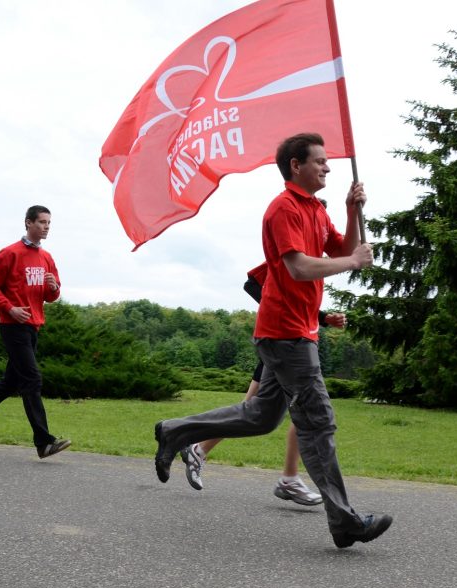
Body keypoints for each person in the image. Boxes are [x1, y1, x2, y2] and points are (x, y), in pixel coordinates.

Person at [154, 132, 393, 549]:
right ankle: (345, 521)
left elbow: (344, 246)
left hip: (297, 331)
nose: (328, 167)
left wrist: (352, 212)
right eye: (319, 161)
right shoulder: (283, 208)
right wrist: (353, 262)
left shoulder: (315, 209)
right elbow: (299, 267)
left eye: (327, 162)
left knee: (262, 417)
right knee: (318, 423)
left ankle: (175, 433)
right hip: (287, 335)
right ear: (296, 165)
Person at [180, 262, 346, 506]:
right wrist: (278, 310)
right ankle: (287, 478)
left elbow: (302, 303)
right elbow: (252, 284)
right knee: (305, 413)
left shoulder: (312, 256)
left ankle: (198, 448)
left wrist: (323, 317)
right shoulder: (290, 251)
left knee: (259, 411)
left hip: (296, 345)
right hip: (282, 344)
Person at [0, 205, 70, 459]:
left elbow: (52, 296)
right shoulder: (10, 253)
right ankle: (44, 442)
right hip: (13, 326)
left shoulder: (47, 257)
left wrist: (52, 288)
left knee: (11, 382)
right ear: (28, 223)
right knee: (32, 380)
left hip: (33, 326)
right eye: (42, 222)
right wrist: (9, 309)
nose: (46, 227)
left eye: (49, 223)